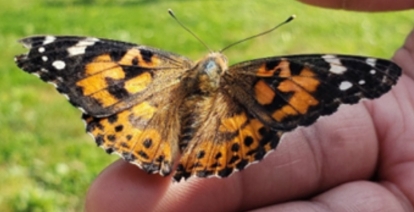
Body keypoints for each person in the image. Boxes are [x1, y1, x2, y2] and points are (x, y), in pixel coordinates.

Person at [85, 0, 414, 211]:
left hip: (147, 121)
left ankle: (168, 152)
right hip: (228, 129)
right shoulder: (261, 77)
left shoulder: (150, 65)